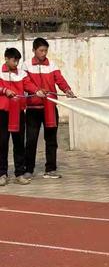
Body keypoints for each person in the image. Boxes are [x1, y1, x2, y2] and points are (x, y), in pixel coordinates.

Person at [23, 38, 75, 179]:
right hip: (33, 108)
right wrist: (36, 90)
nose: (44, 53)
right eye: (41, 51)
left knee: (51, 139)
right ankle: (28, 169)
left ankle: (50, 169)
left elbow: (59, 79)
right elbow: (25, 82)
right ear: (34, 50)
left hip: (50, 107)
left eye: (46, 51)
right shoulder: (26, 65)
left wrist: (67, 90)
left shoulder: (52, 65)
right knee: (31, 140)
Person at [0, 48, 45, 186]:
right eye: (14, 60)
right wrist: (4, 90)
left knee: (19, 144)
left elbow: (29, 85)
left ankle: (19, 173)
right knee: (2, 144)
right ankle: (2, 174)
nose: (16, 63)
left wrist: (37, 91)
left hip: (18, 112)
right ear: (6, 58)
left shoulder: (21, 74)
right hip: (3, 113)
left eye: (18, 60)